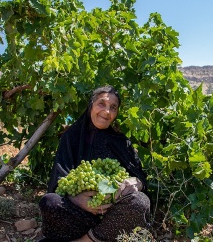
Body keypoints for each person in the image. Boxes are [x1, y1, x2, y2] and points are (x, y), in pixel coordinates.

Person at [39, 85, 151, 242]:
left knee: (140, 202)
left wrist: (135, 183)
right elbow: (59, 180)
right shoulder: (71, 137)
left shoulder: (121, 142)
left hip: (112, 216)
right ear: (91, 105)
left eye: (113, 107)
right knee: (50, 202)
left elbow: (141, 180)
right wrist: (77, 200)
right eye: (101, 104)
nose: (107, 112)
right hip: (79, 215)